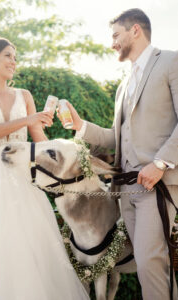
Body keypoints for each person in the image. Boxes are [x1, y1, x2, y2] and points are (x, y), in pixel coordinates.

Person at [0, 38, 89, 300]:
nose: (14, 62)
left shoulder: (24, 95)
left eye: (15, 57)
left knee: (27, 246)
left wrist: (65, 150)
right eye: (8, 56)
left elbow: (39, 140)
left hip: (21, 173)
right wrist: (27, 119)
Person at [58, 8, 178, 300]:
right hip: (125, 190)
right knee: (147, 264)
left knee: (150, 262)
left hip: (157, 184)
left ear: (135, 30)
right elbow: (117, 138)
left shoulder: (172, 62)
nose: (112, 43)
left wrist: (160, 163)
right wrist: (79, 125)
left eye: (115, 35)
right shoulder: (123, 85)